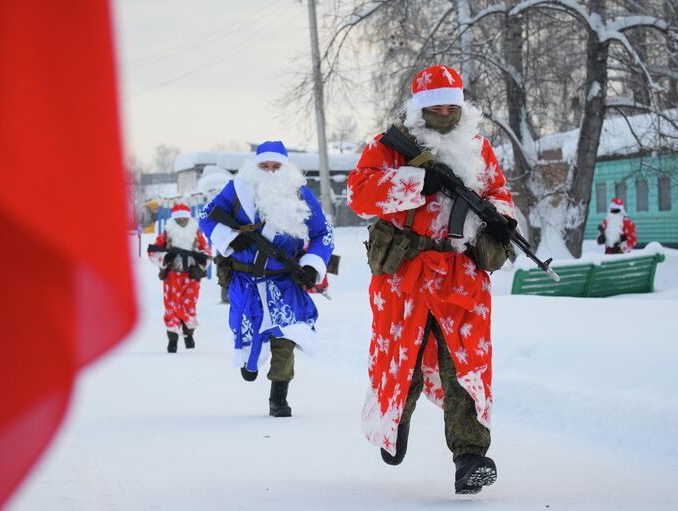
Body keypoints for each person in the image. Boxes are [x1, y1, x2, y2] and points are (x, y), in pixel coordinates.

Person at [348, 65, 516, 494]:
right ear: (420, 107)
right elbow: (360, 194)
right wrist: (419, 181)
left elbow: (498, 193)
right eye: (436, 104)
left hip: (462, 277)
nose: (445, 110)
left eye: (452, 103)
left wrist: (501, 219)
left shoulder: (478, 147)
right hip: (406, 276)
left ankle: (470, 457)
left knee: (466, 365)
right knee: (403, 362)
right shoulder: (389, 147)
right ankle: (394, 424)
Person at [199, 141, 334, 417]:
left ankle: (279, 397)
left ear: (286, 168)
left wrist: (312, 264)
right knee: (246, 332)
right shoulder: (236, 190)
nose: (271, 172)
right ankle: (249, 363)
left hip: (284, 281)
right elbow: (205, 217)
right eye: (265, 166)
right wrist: (229, 238)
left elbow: (323, 233)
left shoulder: (300, 194)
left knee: (286, 336)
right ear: (255, 167)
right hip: (245, 282)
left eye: (277, 167)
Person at [148, 203, 212, 353]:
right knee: (171, 307)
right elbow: (153, 252)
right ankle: (172, 340)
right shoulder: (167, 232)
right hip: (172, 276)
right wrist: (166, 257)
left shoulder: (195, 232)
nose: (182, 220)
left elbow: (206, 251)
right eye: (179, 218)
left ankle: (189, 335)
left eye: (184, 217)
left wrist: (202, 262)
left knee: (189, 306)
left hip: (191, 275)